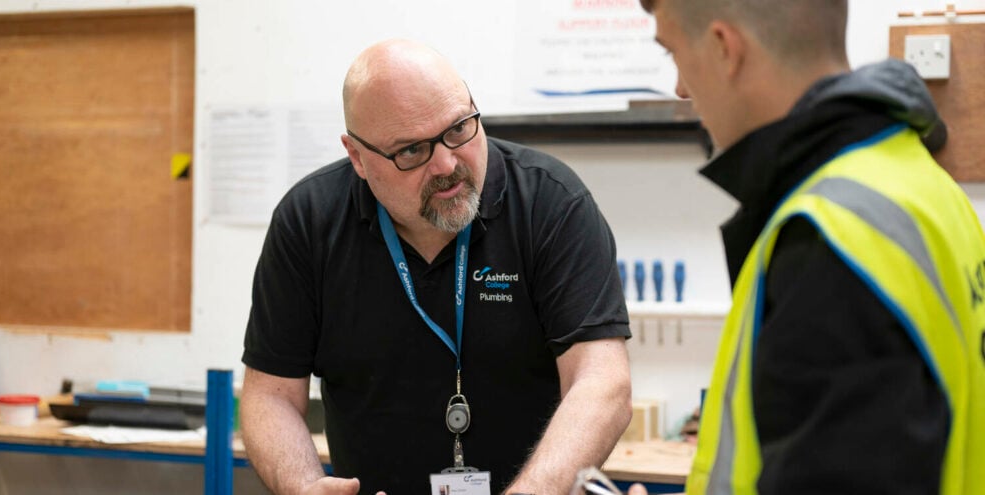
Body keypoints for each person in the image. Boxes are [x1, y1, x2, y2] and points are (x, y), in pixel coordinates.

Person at [239, 39, 633, 495]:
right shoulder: (308, 222)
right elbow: (270, 394)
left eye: (460, 128)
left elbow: (602, 381)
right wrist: (302, 485)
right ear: (358, 159)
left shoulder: (551, 203)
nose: (447, 163)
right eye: (411, 151)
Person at [626, 1, 985, 494]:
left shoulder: (828, 237)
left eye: (674, 55)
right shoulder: (926, 187)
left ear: (724, 48)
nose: (681, 90)